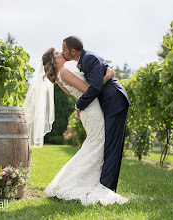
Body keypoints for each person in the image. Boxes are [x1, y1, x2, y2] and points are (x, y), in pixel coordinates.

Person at [24, 47, 129, 206]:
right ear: (53, 61)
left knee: (94, 144)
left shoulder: (59, 77)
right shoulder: (64, 73)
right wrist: (107, 77)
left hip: (88, 110)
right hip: (92, 111)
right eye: (58, 54)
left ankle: (80, 179)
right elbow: (88, 90)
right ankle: (79, 182)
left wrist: (79, 106)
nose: (62, 53)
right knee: (97, 144)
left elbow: (80, 93)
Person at [62, 36, 131, 192]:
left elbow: (95, 88)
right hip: (109, 102)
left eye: (64, 49)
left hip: (115, 101)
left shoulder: (89, 58)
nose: (62, 52)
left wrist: (79, 105)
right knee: (109, 145)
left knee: (112, 147)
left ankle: (106, 189)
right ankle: (103, 185)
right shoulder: (84, 60)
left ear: (73, 51)